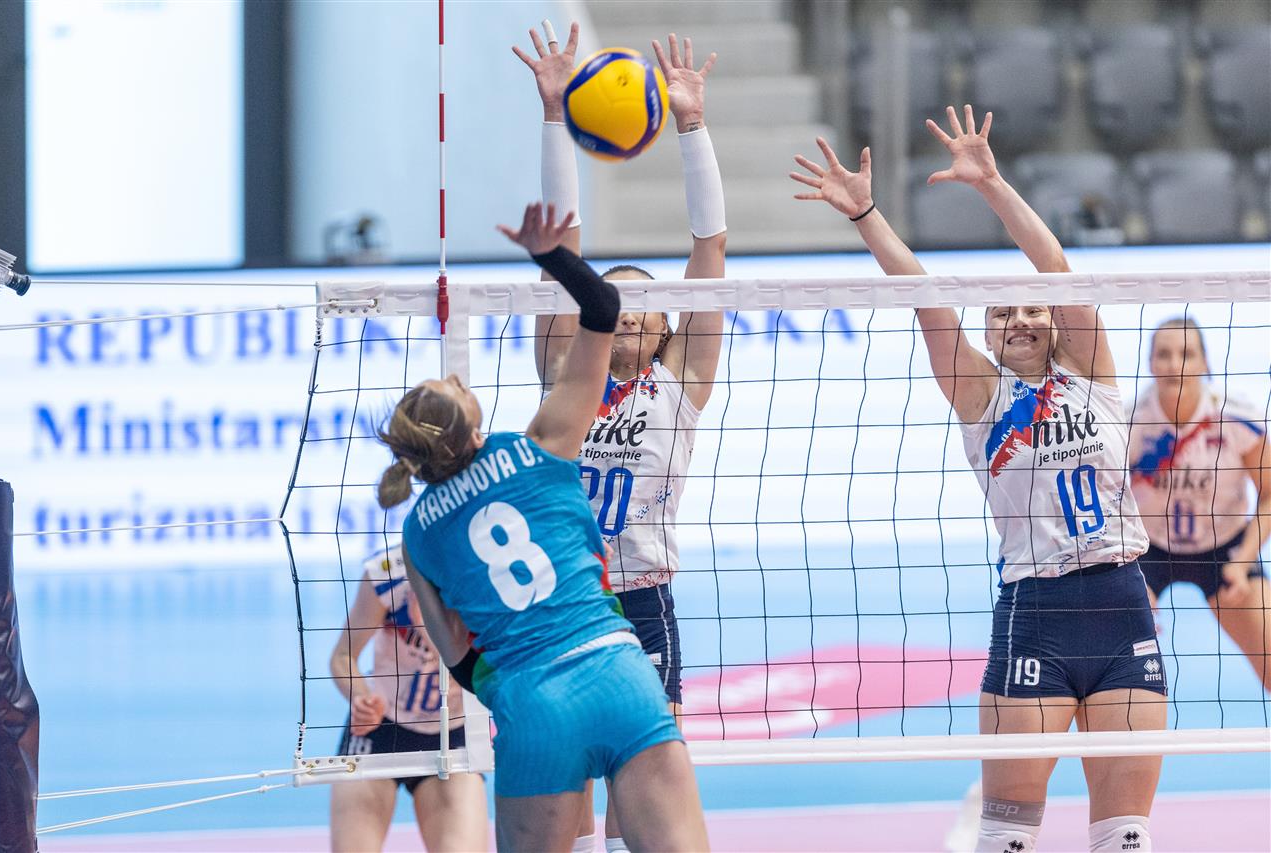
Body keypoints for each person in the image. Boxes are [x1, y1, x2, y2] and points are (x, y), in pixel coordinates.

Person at [791, 106, 1167, 852]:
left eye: (1032, 310)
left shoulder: (1094, 374)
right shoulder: (980, 395)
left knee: (1126, 836)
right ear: (989, 331)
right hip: (1036, 609)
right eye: (1002, 313)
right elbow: (926, 300)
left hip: (1122, 604)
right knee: (1008, 836)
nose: (1019, 319)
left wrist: (992, 184)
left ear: (1055, 323)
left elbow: (1053, 264)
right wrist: (865, 214)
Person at [376, 201, 709, 852]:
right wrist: (549, 255)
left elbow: (458, 658)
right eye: (453, 385)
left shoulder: (418, 532)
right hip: (618, 668)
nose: (457, 377)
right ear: (470, 426)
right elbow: (602, 308)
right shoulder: (538, 447)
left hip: (532, 701)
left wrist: (513, 691)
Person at [515, 22, 726, 852]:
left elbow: (709, 249)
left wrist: (691, 124)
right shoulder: (565, 375)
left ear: (669, 324)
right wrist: (554, 115)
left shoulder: (682, 381)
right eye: (616, 300)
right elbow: (562, 247)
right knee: (559, 794)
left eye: (646, 304)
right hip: (560, 600)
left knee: (643, 796)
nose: (629, 312)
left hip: (642, 598)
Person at [1128, 316, 1271, 691]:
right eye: (1163, 354)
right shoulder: (1128, 422)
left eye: (1186, 354)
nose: (1174, 364)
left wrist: (1243, 562)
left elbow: (1270, 492)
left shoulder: (1235, 417)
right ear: (1149, 363)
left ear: (1205, 362)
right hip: (1148, 549)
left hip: (1225, 547)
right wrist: (1125, 577)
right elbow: (1108, 501)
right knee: (1110, 667)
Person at [328, 546, 488, 852]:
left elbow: (481, 674)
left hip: (452, 734)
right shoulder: (387, 573)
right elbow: (342, 656)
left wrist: (427, 626)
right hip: (379, 730)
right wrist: (361, 699)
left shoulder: (484, 575)